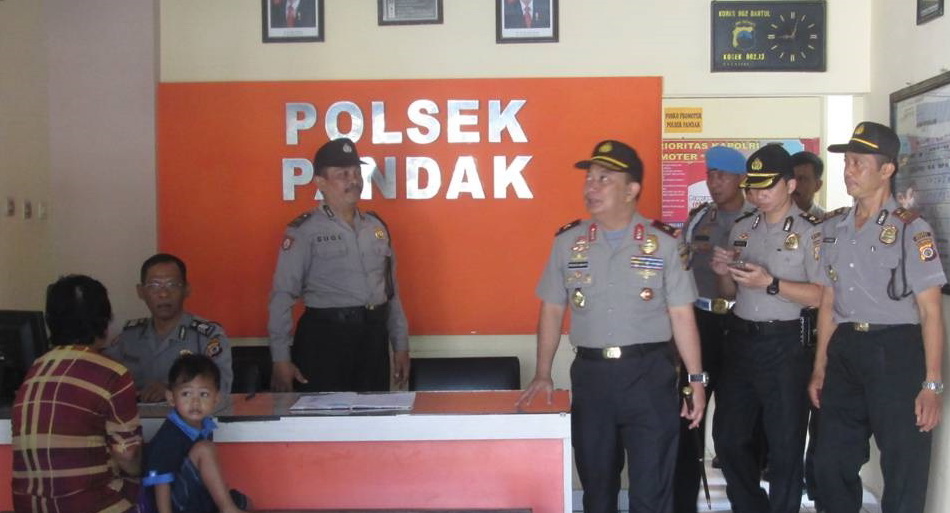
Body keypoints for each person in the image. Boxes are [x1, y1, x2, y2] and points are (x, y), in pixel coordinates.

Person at [518, 140, 707, 513]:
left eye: (604, 179)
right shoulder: (568, 242)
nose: (591, 187)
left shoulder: (664, 244)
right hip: (592, 377)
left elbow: (682, 315)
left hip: (649, 376)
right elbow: (552, 309)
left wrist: (697, 381)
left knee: (651, 491)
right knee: (598, 491)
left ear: (631, 189)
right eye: (589, 179)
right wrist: (542, 372)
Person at [810, 121, 946, 513]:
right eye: (847, 162)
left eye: (858, 163)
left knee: (904, 464)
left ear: (886, 169)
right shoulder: (834, 228)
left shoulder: (911, 230)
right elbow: (829, 300)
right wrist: (820, 366)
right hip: (846, 348)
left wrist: (932, 384)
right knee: (830, 460)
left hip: (896, 350)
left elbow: (931, 311)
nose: (848, 171)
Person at [709, 144, 824, 513]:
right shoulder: (743, 228)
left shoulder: (811, 232)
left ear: (790, 185)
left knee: (785, 445)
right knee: (728, 438)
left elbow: (822, 295)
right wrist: (723, 273)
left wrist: (771, 283)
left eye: (766, 186)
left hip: (786, 344)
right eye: (753, 186)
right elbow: (729, 293)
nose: (757, 194)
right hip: (741, 340)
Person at [268, 137, 410, 393]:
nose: (353, 180)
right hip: (325, 340)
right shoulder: (304, 230)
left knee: (373, 414)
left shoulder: (376, 227)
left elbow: (392, 293)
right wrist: (280, 358)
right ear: (320, 182)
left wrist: (400, 345)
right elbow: (282, 295)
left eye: (356, 172)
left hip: (373, 339)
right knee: (323, 416)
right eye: (343, 174)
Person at [12, 275, 143, 513]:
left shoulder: (36, 368)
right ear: (104, 320)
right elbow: (129, 456)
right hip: (89, 506)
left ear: (51, 321)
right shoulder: (112, 373)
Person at [674, 145, 754, 513]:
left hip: (741, 327)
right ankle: (682, 505)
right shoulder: (698, 220)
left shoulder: (756, 220)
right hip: (700, 324)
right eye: (710, 175)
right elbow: (681, 271)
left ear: (741, 179)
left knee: (735, 431)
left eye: (722, 175)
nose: (714, 182)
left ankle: (746, 504)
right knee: (687, 421)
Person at [107, 253, 233, 402]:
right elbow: (105, 380)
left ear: (186, 289)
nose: (163, 294)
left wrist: (172, 389)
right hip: (136, 416)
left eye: (172, 285)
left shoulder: (207, 336)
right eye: (154, 286)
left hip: (188, 416)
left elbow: (222, 388)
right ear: (141, 291)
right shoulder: (129, 336)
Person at [142, 354, 249, 513]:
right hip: (174, 504)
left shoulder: (205, 426)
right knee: (204, 449)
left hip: (193, 496)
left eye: (204, 394)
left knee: (244, 501)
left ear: (216, 398)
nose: (195, 402)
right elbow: (160, 482)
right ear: (171, 398)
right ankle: (228, 509)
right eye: (186, 394)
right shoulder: (169, 436)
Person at [790, 151, 826, 217]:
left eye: (801, 179)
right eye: (791, 178)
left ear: (817, 185)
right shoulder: (772, 217)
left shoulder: (826, 221)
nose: (793, 185)